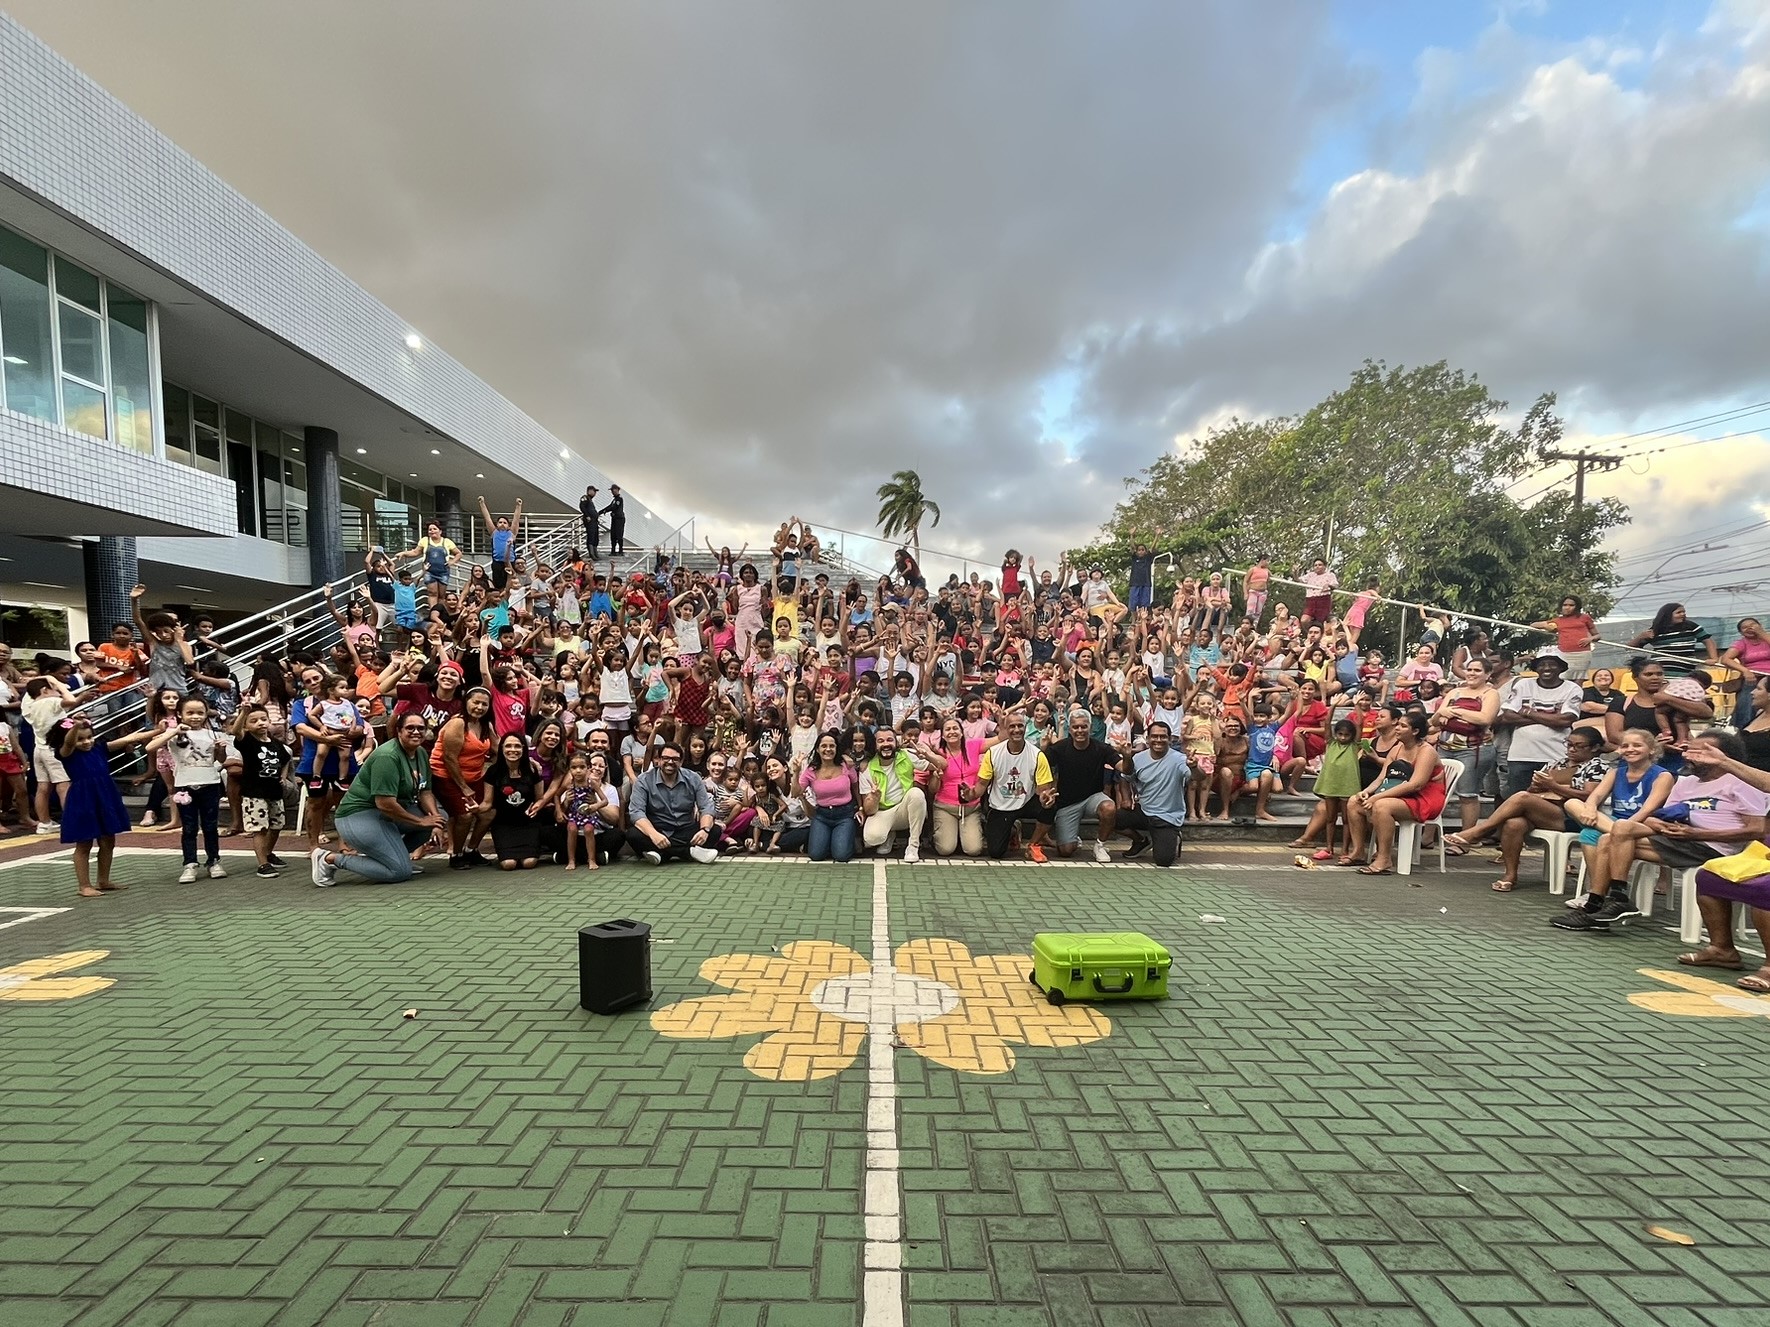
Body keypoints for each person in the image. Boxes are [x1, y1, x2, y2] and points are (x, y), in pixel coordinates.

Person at [1555, 731, 1767, 932]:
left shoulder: (1742, 784)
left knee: (1613, 837)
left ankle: (1609, 903)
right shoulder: (1687, 782)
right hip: (1680, 841)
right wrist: (1663, 827)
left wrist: (1697, 835)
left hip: (1712, 848)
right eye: (1688, 750)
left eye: (1697, 752)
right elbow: (1657, 817)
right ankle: (1602, 903)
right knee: (1612, 836)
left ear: (1722, 756)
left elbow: (1756, 831)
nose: (1687, 756)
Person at [1445, 727, 1609, 892]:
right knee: (1514, 823)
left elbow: (1589, 796)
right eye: (1569, 745)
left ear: (1594, 748)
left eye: (1579, 746)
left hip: (1573, 816)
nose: (1571, 750)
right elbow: (1534, 792)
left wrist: (1554, 786)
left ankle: (1478, 831)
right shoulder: (1558, 763)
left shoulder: (1597, 766)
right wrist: (1536, 786)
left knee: (1522, 797)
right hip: (1545, 810)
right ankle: (1510, 875)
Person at [311, 713, 448, 887]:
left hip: (385, 815)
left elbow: (425, 790)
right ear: (398, 731)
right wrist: (421, 821)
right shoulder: (388, 756)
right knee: (399, 872)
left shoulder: (420, 752)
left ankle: (394, 858)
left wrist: (434, 820)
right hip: (358, 815)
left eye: (421, 728)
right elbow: (385, 803)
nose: (416, 732)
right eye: (410, 728)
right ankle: (329, 859)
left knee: (440, 816)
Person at [57, 717, 153, 897]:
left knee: (108, 840)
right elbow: (69, 742)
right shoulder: (67, 753)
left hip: (105, 796)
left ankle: (103, 880)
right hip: (83, 799)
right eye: (81, 739)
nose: (86, 742)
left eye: (89, 737)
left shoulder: (99, 748)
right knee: (84, 843)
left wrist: (159, 731)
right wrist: (76, 727)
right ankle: (84, 885)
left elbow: (129, 739)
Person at [1345, 709, 1443, 876]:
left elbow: (1416, 785)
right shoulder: (1397, 748)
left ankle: (1384, 859)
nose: (1397, 728)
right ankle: (1358, 852)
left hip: (1424, 798)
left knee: (1382, 806)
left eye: (1403, 726)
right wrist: (1367, 792)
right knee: (1354, 801)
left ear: (1415, 731)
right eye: (1397, 725)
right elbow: (1382, 777)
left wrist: (1377, 797)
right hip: (1400, 795)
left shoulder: (1427, 751)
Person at [145, 694, 231, 883]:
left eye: (200, 713)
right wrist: (172, 731)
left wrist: (221, 750)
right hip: (185, 786)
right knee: (189, 827)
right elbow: (150, 747)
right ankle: (190, 863)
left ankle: (214, 861)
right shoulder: (175, 734)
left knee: (210, 826)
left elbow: (220, 760)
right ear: (180, 714)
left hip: (210, 784)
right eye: (190, 713)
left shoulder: (212, 733)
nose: (195, 717)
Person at [1429, 656, 1500, 839]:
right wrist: (1445, 714)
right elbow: (1435, 720)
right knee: (1436, 791)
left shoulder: (1490, 694)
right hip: (1444, 747)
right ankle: (1427, 837)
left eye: (1477, 670)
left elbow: (1485, 719)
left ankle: (1466, 837)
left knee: (1467, 793)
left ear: (1488, 674)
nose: (1472, 673)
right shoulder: (1455, 692)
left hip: (1473, 750)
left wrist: (1454, 712)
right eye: (1469, 669)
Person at [1496, 653, 1583, 796]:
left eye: (1552, 664)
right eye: (1541, 664)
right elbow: (1508, 716)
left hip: (1556, 756)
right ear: (1535, 668)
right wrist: (1552, 717)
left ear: (1561, 668)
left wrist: (1529, 713)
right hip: (1521, 756)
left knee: (1551, 799)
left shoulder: (1572, 688)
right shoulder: (1524, 684)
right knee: (1517, 800)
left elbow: (1566, 720)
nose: (1546, 668)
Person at [1044, 705, 1118, 862]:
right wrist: (1044, 748)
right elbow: (1040, 766)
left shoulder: (1102, 748)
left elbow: (1124, 768)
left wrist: (1126, 756)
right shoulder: (1060, 748)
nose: (1080, 730)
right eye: (1075, 727)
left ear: (1090, 728)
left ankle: (1100, 845)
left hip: (1093, 798)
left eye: (1083, 727)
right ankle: (1072, 835)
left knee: (1109, 807)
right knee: (1065, 851)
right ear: (1070, 729)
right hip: (1067, 803)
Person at [626, 741, 719, 863]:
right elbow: (637, 813)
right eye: (666, 758)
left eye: (675, 759)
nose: (670, 762)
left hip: (685, 829)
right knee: (633, 835)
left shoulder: (693, 778)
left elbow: (706, 807)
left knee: (715, 830)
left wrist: (704, 830)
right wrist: (654, 834)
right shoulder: (644, 780)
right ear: (658, 760)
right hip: (658, 829)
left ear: (681, 762)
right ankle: (690, 852)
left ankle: (662, 855)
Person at [977, 713, 1054, 860]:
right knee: (996, 853)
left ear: (1025, 728)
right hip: (1000, 804)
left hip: (1026, 800)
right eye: (1012, 726)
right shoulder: (993, 753)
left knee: (1050, 807)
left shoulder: (1037, 755)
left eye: (1020, 726)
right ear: (1005, 729)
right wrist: (970, 794)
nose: (1017, 730)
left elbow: (1044, 790)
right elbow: (981, 785)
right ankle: (1012, 830)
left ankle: (1033, 845)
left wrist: (1046, 799)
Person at [228, 705, 292, 878]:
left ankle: (268, 853)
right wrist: (244, 713)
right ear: (247, 725)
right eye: (254, 721)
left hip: (274, 791)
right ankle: (262, 864)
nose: (260, 723)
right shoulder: (247, 740)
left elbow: (286, 759)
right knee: (259, 828)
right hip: (254, 792)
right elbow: (236, 731)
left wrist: (284, 777)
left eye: (263, 719)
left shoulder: (276, 744)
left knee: (277, 825)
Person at [1116, 720, 1188, 866]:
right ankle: (1141, 841)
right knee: (1109, 817)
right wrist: (1126, 798)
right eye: (1154, 736)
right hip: (1143, 811)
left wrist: (1194, 767)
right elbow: (1125, 778)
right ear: (1147, 739)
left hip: (1167, 817)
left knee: (1164, 861)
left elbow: (1196, 776)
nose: (1158, 740)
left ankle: (1173, 837)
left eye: (1163, 737)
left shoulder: (1180, 759)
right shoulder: (1138, 758)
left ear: (1170, 739)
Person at [858, 727, 928, 862]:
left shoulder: (907, 755)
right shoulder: (867, 768)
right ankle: (889, 834)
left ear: (896, 742)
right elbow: (869, 810)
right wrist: (874, 798)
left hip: (903, 809)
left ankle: (913, 846)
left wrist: (927, 753)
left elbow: (940, 764)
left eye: (890, 740)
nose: (886, 744)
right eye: (880, 741)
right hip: (882, 811)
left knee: (916, 794)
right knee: (872, 838)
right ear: (875, 744)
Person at [486, 733, 543, 870]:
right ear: (502, 749)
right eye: (508, 746)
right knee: (508, 865)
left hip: (528, 823)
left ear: (523, 749)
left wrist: (535, 807)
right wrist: (475, 809)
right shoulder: (493, 772)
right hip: (503, 824)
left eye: (517, 746)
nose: (513, 750)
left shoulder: (532, 769)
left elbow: (540, 798)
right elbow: (487, 803)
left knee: (529, 863)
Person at [1629, 602, 1716, 678]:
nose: (1683, 614)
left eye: (1683, 612)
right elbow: (1630, 647)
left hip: (1685, 670)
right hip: (1661, 671)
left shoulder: (1690, 626)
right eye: (1679, 612)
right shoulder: (1656, 630)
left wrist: (1713, 658)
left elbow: (1708, 641)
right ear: (1668, 615)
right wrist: (1640, 637)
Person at [1532, 596, 1597, 682]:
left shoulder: (1584, 618)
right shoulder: (1558, 620)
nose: (1567, 607)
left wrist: (1589, 639)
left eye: (1571, 605)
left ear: (1577, 606)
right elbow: (1534, 624)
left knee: (1579, 680)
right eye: (1565, 605)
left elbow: (1597, 636)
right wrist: (1546, 626)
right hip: (1564, 654)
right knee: (1562, 678)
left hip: (1582, 653)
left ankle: (1577, 695)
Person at [1718, 617, 1770, 725]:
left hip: (1769, 677)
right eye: (1744, 627)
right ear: (1741, 632)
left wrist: (1762, 634)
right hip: (1753, 678)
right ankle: (1744, 733)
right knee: (1747, 708)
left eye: (1752, 625)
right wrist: (1745, 671)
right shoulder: (1741, 643)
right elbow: (1725, 659)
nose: (1749, 628)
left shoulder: (1767, 638)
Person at [477, 494, 525, 590]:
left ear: (508, 525)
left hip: (510, 561)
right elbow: (487, 518)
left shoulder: (512, 533)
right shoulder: (494, 532)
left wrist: (518, 506)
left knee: (511, 584)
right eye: (500, 522)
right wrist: (482, 503)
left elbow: (516, 520)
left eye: (505, 522)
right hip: (497, 562)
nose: (502, 524)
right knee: (499, 585)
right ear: (497, 524)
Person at [603, 484, 627, 556]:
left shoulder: (619, 499)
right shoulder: (614, 500)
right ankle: (613, 550)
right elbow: (610, 506)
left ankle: (620, 551)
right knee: (613, 535)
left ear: (617, 490)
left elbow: (614, 507)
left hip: (619, 519)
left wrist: (606, 510)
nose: (613, 492)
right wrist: (603, 511)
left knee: (619, 535)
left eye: (614, 490)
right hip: (614, 519)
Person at [578, 486, 601, 557]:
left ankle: (595, 553)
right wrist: (587, 515)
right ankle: (592, 554)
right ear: (590, 491)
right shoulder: (585, 498)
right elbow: (582, 506)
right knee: (591, 536)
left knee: (595, 537)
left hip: (594, 521)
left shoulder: (590, 500)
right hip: (590, 521)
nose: (595, 493)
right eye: (594, 491)